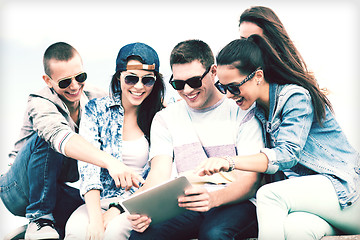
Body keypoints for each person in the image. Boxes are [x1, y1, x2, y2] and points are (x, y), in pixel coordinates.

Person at [197, 35, 360, 239]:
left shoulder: (295, 97)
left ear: (258, 76)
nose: (229, 95)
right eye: (223, 87)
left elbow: (287, 155)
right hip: (319, 207)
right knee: (295, 229)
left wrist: (229, 162)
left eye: (234, 87)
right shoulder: (258, 111)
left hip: (347, 193)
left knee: (269, 195)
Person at [0, 42, 144, 240]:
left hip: (55, 187)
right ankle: (40, 218)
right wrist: (110, 162)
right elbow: (61, 137)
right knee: (48, 139)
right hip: (18, 189)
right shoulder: (40, 102)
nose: (75, 86)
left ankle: (47, 228)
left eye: (80, 77)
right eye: (65, 82)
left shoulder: (95, 97)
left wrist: (166, 104)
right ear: (48, 81)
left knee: (89, 207)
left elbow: (129, 100)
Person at [127, 39, 264, 240]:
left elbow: (250, 181)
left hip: (236, 201)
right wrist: (142, 209)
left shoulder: (241, 109)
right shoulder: (165, 118)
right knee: (143, 236)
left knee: (214, 234)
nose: (188, 91)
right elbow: (158, 175)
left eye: (194, 81)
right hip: (187, 202)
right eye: (178, 84)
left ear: (213, 72)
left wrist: (213, 199)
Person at [65, 42, 165, 240]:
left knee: (114, 233)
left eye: (148, 80)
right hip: (97, 201)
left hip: (138, 202)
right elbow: (88, 167)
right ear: (118, 77)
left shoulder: (161, 117)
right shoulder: (96, 110)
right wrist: (96, 219)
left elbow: (158, 175)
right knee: (76, 231)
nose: (138, 86)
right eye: (131, 78)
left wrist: (117, 209)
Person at [238, 5, 330, 96]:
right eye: (242, 40)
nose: (246, 46)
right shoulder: (241, 80)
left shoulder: (293, 94)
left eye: (254, 40)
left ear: (271, 41)